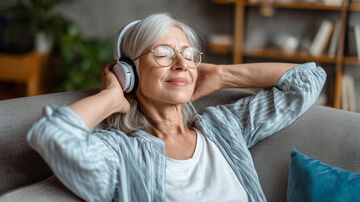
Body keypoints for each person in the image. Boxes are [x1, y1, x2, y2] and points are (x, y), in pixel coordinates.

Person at [27, 13, 326, 202]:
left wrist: (223, 75)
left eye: (188, 54)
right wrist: (111, 96)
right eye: (163, 54)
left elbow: (307, 80)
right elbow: (51, 135)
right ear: (128, 72)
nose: (182, 63)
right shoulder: (121, 153)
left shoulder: (224, 126)